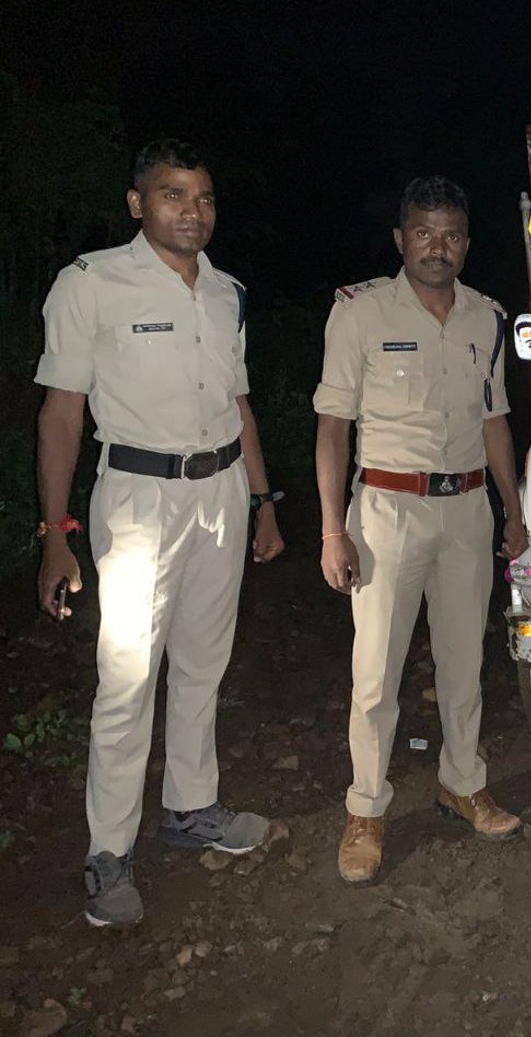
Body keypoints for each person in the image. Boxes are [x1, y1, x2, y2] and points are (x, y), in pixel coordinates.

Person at [35, 139, 285, 927]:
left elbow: (238, 405)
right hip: (139, 496)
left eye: (205, 198)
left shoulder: (225, 292)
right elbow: (62, 412)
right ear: (138, 203)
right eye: (174, 195)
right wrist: (55, 533)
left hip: (219, 492)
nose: (193, 212)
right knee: (128, 673)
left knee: (204, 664)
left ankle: (190, 807)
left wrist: (263, 500)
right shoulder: (91, 283)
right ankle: (107, 854)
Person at [314, 176, 528, 885]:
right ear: (401, 238)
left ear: (467, 242)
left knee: (465, 663)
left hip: (467, 509)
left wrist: (512, 508)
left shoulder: (486, 317)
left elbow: (495, 421)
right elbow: (333, 429)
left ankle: (462, 782)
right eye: (425, 233)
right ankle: (367, 808)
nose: (439, 248)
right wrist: (330, 530)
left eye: (453, 235)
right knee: (375, 673)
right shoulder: (359, 312)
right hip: (387, 510)